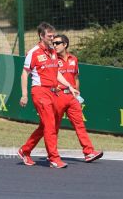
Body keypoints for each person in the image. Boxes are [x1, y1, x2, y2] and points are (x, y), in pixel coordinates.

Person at [18, 22, 79, 168]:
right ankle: (53, 158)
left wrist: (70, 86)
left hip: (53, 92)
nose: (52, 38)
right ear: (41, 36)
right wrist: (24, 95)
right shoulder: (33, 52)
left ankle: (25, 150)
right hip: (39, 91)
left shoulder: (52, 52)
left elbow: (56, 72)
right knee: (50, 124)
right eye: (49, 36)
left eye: (53, 35)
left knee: (46, 125)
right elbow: (24, 74)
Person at [53, 34, 103, 162]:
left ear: (65, 44)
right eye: (53, 43)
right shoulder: (52, 60)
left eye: (57, 43)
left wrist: (77, 94)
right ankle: (52, 155)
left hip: (71, 97)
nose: (55, 45)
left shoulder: (74, 59)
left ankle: (89, 152)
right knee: (53, 127)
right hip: (58, 96)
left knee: (79, 125)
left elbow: (76, 78)